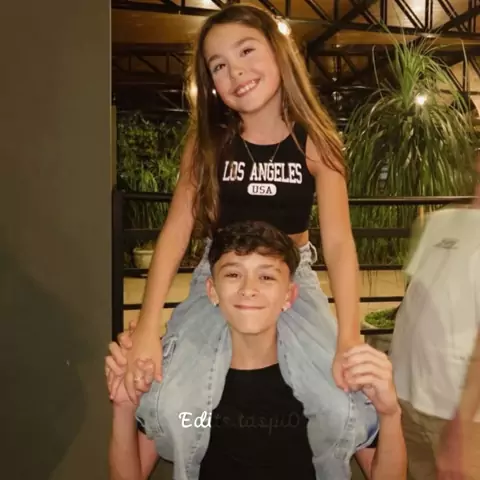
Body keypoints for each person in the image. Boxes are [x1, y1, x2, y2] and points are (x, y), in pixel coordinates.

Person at [119, 3, 363, 402]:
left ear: (277, 52)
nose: (235, 72)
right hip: (220, 274)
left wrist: (349, 337)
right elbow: (176, 231)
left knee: (344, 408)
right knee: (167, 407)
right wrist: (147, 326)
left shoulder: (316, 142)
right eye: (219, 65)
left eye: (246, 50)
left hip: (291, 275)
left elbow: (338, 243)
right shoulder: (208, 143)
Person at [106, 221, 406, 480]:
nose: (249, 289)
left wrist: (390, 413)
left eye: (266, 277)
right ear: (212, 290)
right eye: (233, 274)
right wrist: (123, 406)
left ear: (289, 295)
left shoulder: (329, 382)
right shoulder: (179, 383)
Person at [389, 152, 480, 479]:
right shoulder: (439, 221)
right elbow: (415, 303)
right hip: (405, 397)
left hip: (460, 416)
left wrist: (461, 426)